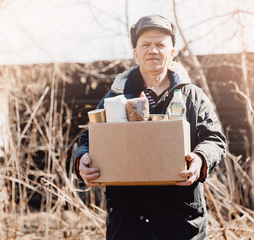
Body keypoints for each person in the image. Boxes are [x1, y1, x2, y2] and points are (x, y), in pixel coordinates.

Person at [73, 15, 227, 240]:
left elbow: (214, 139)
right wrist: (82, 159)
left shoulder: (191, 96)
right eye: (145, 44)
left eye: (160, 45)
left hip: (182, 221)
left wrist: (201, 159)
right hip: (130, 223)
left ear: (172, 52)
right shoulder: (114, 97)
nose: (152, 50)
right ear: (136, 53)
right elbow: (90, 138)